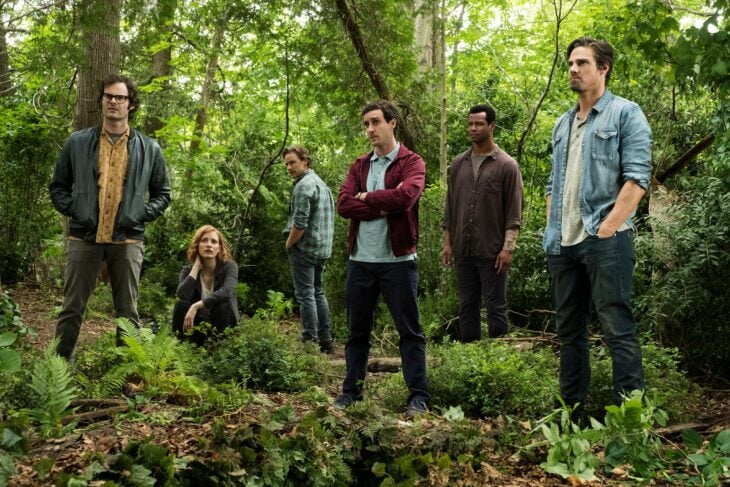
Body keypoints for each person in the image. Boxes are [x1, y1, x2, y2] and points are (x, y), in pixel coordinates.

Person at [543, 37, 652, 413]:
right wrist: (553, 227)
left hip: (605, 239)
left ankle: (630, 418)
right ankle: (570, 414)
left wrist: (606, 229)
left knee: (617, 328)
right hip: (563, 243)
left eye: (582, 63)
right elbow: (553, 183)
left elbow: (637, 179)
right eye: (570, 63)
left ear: (603, 68)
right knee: (569, 333)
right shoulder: (562, 123)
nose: (573, 69)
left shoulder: (625, 113)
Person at [49, 74, 171, 361]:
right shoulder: (78, 142)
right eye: (109, 96)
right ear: (102, 101)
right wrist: (76, 209)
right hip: (84, 236)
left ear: (131, 104)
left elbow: (163, 193)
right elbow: (58, 186)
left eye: (120, 97)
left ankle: (124, 373)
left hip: (127, 239)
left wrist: (141, 213)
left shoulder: (150, 148)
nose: (113, 101)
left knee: (127, 312)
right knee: (71, 308)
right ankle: (57, 370)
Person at [334, 100, 429, 418]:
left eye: (375, 122)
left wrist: (366, 197)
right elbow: (344, 204)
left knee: (410, 332)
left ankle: (418, 397)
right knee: (356, 332)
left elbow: (406, 197)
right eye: (366, 124)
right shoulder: (360, 165)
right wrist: (382, 207)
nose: (370, 129)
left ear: (392, 123)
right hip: (361, 260)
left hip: (398, 262)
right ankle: (351, 393)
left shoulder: (411, 162)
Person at [441, 104, 523, 342]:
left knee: (496, 305)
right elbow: (450, 206)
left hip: (492, 251)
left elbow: (514, 212)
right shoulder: (458, 164)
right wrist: (447, 243)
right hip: (463, 250)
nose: (473, 128)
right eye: (470, 123)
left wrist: (508, 248)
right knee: (467, 305)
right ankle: (470, 353)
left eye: (478, 123)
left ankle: (497, 356)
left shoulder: (507, 165)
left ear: (492, 126)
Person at [283, 146, 335, 352]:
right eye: (286, 164)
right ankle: (325, 341)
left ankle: (310, 342)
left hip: (305, 248)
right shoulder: (320, 183)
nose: (289, 167)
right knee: (317, 292)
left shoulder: (304, 186)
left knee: (306, 295)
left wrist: (289, 244)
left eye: (293, 162)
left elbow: (300, 223)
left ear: (305, 161)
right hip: (322, 249)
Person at [173, 225, 240, 344]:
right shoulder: (188, 270)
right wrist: (196, 268)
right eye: (204, 240)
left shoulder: (229, 266)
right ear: (197, 246)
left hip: (222, 323)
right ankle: (179, 347)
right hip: (199, 326)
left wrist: (196, 306)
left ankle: (220, 348)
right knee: (181, 305)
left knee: (221, 306)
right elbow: (182, 294)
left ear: (219, 248)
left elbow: (227, 291)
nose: (209, 245)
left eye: (213, 241)